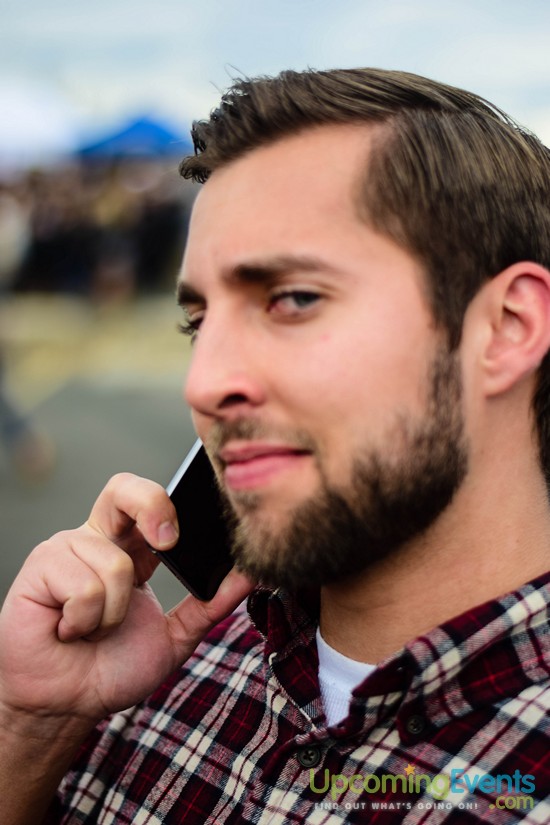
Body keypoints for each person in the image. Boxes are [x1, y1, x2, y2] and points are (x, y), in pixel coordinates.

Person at [1, 67, 550, 824]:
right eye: (199, 323)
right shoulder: (152, 662)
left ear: (507, 327)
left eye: (292, 299)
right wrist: (33, 726)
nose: (203, 382)